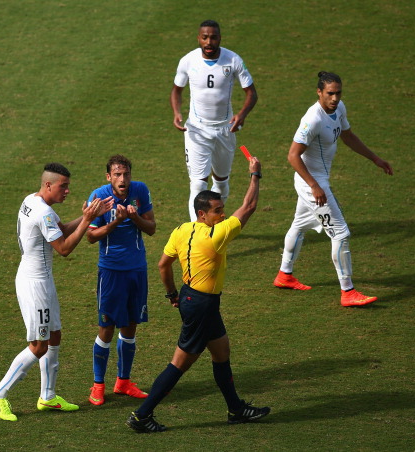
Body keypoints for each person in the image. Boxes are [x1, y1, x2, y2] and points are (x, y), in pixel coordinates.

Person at [126, 155, 270, 433]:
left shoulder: (182, 230)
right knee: (179, 364)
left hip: (193, 299)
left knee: (221, 351)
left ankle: (236, 409)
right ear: (202, 214)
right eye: (217, 211)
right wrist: (255, 175)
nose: (223, 215)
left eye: (223, 209)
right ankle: (142, 415)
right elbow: (249, 206)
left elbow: (163, 264)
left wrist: (172, 294)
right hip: (202, 305)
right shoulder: (216, 236)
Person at [0, 163, 112, 421]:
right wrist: (87, 221)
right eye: (63, 186)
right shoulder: (43, 212)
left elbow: (61, 229)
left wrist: (86, 216)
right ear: (48, 185)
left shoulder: (32, 200)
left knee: (54, 336)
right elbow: (63, 248)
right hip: (35, 286)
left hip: (41, 281)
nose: (67, 191)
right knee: (39, 345)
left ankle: (48, 396)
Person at [273, 71, 394, 307]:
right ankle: (347, 291)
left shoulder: (339, 109)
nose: (335, 98)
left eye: (338, 93)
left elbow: (348, 136)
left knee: (300, 225)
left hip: (316, 181)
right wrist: (314, 185)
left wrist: (375, 159)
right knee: (341, 233)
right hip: (312, 183)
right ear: (319, 92)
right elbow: (292, 156)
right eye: (330, 93)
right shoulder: (313, 119)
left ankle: (284, 275)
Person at [171, 19, 258, 222]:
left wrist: (242, 115)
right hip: (196, 130)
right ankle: (197, 232)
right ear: (198, 38)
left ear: (220, 38)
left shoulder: (233, 60)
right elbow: (176, 90)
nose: (209, 41)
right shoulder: (188, 61)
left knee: (220, 182)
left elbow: (252, 94)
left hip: (225, 130)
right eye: (204, 37)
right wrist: (176, 112)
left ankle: (215, 220)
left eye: (213, 37)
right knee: (197, 184)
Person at [86, 155, 156, 406]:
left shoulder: (140, 191)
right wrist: (116, 221)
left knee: (130, 325)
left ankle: (123, 382)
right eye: (117, 174)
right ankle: (97, 385)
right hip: (111, 270)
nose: (122, 179)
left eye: (125, 174)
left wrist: (134, 217)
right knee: (106, 328)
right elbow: (91, 237)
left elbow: (151, 228)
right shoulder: (99, 197)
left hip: (137, 269)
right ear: (109, 177)